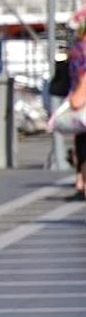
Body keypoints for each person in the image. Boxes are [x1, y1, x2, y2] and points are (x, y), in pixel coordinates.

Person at [66, 17, 86, 197]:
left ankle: (80, 179)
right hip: (83, 96)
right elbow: (83, 77)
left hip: (76, 100)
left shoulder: (76, 50)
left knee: (80, 140)